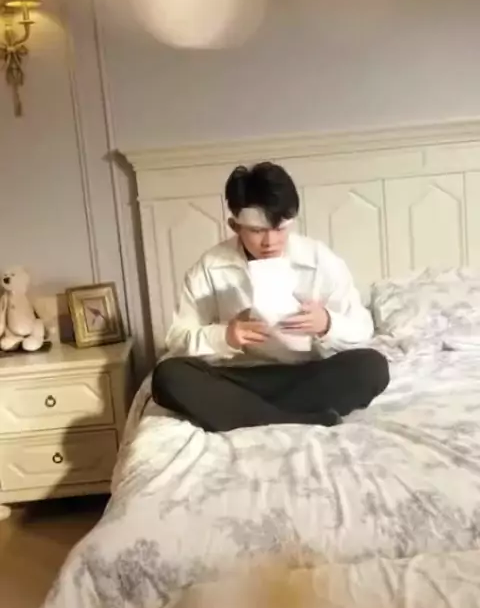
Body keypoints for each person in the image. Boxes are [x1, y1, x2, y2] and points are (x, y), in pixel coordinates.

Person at [152, 162, 389, 432]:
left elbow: (362, 328)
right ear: (234, 226)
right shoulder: (209, 267)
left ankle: (252, 415)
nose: (270, 242)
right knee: (168, 376)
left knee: (372, 367)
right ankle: (298, 418)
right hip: (238, 378)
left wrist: (326, 323)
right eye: (256, 231)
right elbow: (177, 339)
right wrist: (225, 336)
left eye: (280, 229)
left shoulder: (319, 259)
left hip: (304, 375)